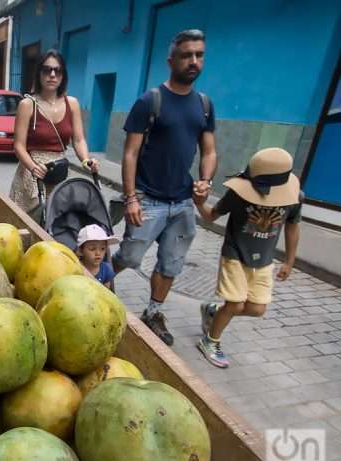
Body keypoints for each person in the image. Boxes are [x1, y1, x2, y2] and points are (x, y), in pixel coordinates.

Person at [111, 29, 217, 345]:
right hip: (148, 200)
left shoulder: (205, 105)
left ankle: (153, 312)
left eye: (199, 55)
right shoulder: (150, 101)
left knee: (171, 265)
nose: (193, 61)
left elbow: (209, 150)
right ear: (171, 60)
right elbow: (129, 153)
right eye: (186, 55)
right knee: (129, 257)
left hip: (183, 203)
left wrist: (205, 182)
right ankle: (97, 281)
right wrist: (130, 198)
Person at [193, 148, 302, 368]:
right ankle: (210, 341)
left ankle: (213, 312)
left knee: (257, 309)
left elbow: (292, 227)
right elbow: (210, 216)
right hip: (235, 254)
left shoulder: (294, 197)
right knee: (234, 304)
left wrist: (289, 261)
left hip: (264, 261)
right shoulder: (239, 193)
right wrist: (198, 201)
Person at [9, 49, 99, 216]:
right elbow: (19, 146)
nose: (52, 75)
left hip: (58, 173)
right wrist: (33, 167)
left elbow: (78, 140)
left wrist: (86, 160)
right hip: (31, 174)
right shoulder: (28, 105)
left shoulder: (72, 104)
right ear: (39, 73)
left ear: (63, 75)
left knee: (55, 225)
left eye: (57, 70)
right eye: (46, 70)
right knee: (28, 225)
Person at [77, 224, 118, 289]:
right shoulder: (76, 267)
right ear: (80, 251)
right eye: (92, 248)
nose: (98, 253)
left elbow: (106, 293)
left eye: (102, 249)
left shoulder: (106, 269)